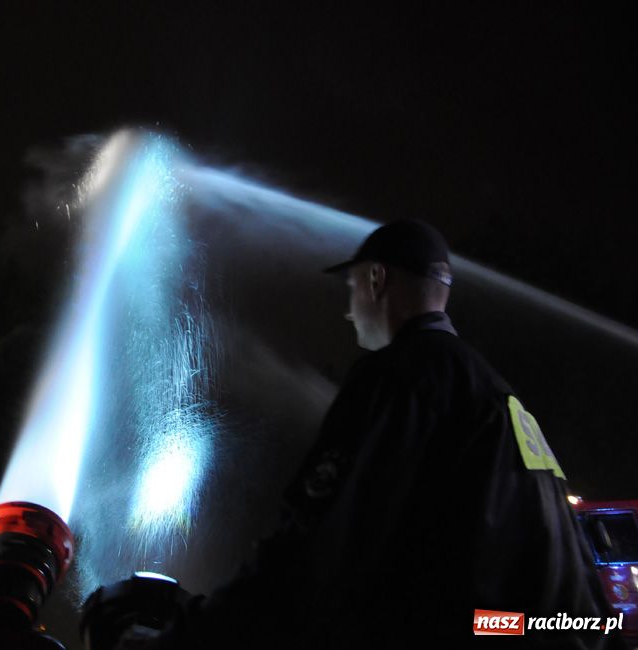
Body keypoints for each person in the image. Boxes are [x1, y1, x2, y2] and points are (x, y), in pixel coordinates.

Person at [128, 220, 623, 649]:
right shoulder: (498, 395)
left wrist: (187, 637)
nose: (348, 311)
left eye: (351, 290)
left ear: (376, 279)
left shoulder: (400, 376)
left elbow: (312, 554)